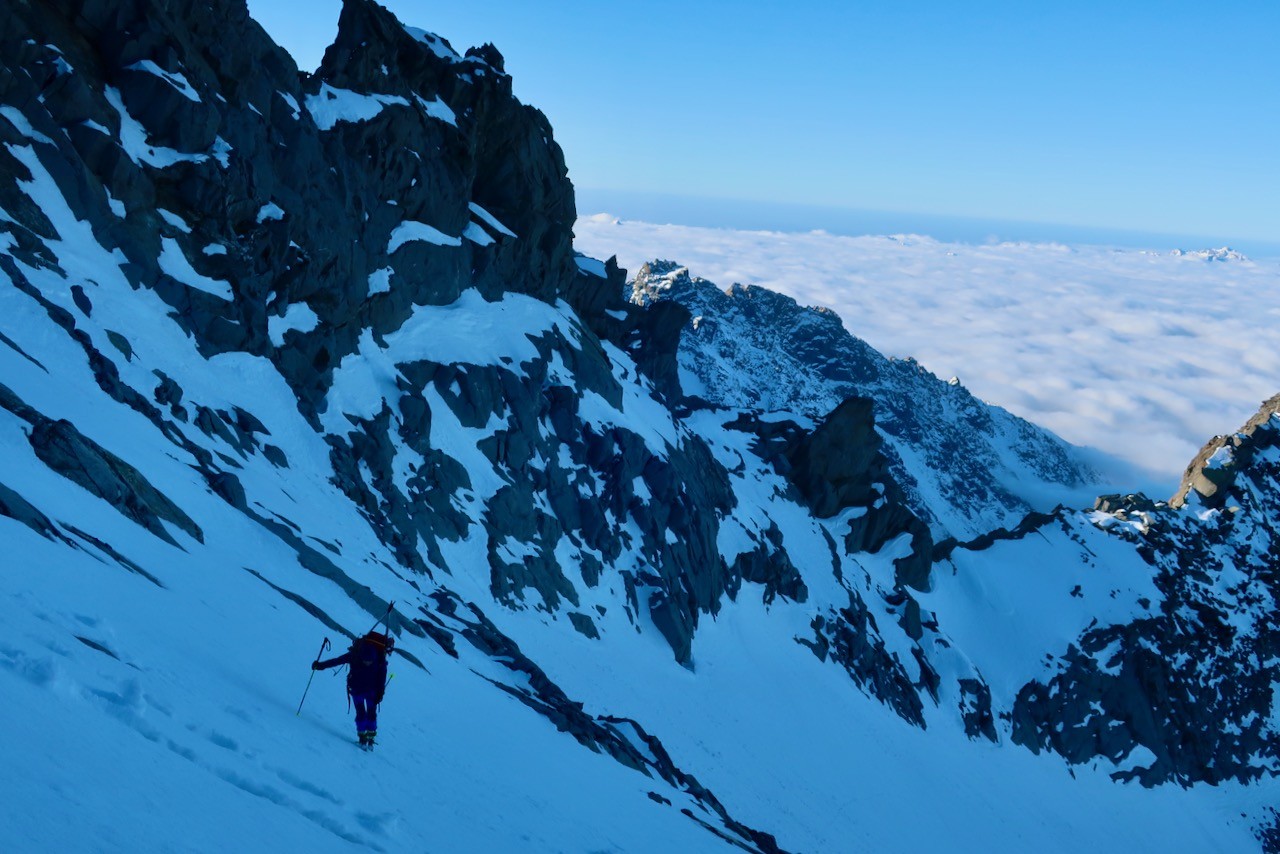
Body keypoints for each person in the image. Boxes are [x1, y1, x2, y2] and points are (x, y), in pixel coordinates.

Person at [313, 632, 392, 749]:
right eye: (366, 660)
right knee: (365, 713)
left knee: (366, 713)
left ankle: (367, 738)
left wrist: (380, 692)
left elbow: (381, 678)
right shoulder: (364, 657)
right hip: (363, 690)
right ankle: (366, 738)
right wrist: (320, 665)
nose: (367, 662)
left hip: (364, 689)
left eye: (369, 661)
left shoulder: (369, 658)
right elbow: (337, 661)